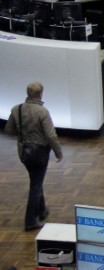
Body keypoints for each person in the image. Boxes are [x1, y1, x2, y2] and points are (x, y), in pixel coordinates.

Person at [4, 82, 64, 231]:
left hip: (24, 152)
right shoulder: (42, 112)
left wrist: (24, 134)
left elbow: (9, 129)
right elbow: (50, 135)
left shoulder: (16, 109)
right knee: (36, 185)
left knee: (36, 180)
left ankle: (42, 210)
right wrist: (58, 152)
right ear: (40, 94)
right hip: (40, 153)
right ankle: (31, 221)